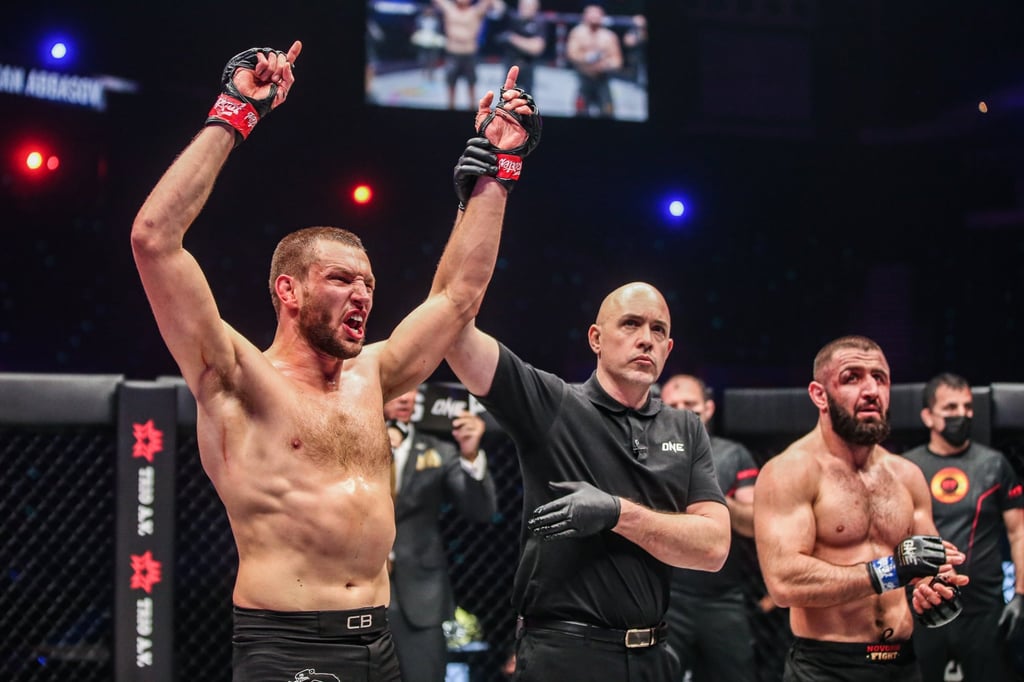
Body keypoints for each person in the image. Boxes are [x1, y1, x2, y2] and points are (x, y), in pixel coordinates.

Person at [130, 39, 540, 682]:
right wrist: (236, 110)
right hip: (286, 645)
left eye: (369, 284)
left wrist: (500, 168)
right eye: (342, 280)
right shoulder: (237, 380)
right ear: (288, 291)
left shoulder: (373, 375)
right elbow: (155, 240)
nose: (363, 296)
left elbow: (459, 298)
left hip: (380, 643)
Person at [444, 281, 732, 681]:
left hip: (654, 656)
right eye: (631, 324)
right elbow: (455, 332)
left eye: (658, 330)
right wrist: (475, 214)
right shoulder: (552, 403)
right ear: (595, 338)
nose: (646, 340)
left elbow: (714, 548)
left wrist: (617, 513)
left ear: (669, 349)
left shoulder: (685, 427)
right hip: (564, 656)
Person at [754, 335, 971, 681]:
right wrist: (888, 572)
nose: (871, 390)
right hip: (826, 667)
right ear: (819, 395)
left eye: (880, 378)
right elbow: (783, 582)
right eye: (852, 377)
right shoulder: (790, 471)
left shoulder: (907, 475)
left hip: (902, 662)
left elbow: (928, 567)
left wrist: (936, 591)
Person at [901, 372, 1024, 681]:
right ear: (928, 416)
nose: (962, 415)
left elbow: (1019, 532)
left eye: (967, 407)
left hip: (984, 608)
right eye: (951, 408)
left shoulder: (994, 464)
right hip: (923, 605)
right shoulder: (906, 468)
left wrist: (1021, 594)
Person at [383, 389, 498, 682]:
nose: (406, 397)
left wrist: (470, 453)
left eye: (414, 388)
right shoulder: (349, 446)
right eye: (398, 386)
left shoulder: (440, 451)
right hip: (354, 590)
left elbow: (480, 510)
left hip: (420, 595)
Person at [660, 374, 761, 682]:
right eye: (672, 405)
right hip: (664, 595)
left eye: (689, 404)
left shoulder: (733, 454)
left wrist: (706, 496)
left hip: (721, 596)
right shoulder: (647, 454)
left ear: (709, 407)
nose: (681, 410)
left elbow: (753, 524)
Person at [433, 0, 497, 109]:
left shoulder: (476, 11)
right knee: (451, 85)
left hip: (469, 54)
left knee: (471, 85)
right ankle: (450, 110)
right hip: (453, 53)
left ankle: (471, 112)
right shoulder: (449, 9)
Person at [565, 4, 622, 118]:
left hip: (602, 79)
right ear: (585, 16)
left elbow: (617, 61)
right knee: (580, 112)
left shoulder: (609, 36)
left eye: (597, 15)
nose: (594, 18)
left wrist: (607, 64)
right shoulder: (578, 33)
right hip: (584, 79)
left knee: (608, 112)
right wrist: (587, 58)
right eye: (591, 14)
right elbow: (571, 54)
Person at [493, 0, 546, 94]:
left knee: (526, 102)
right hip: (510, 65)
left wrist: (513, 38)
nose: (525, 9)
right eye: (523, 6)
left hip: (527, 66)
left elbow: (536, 48)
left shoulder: (539, 22)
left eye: (529, 6)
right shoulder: (512, 18)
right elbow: (498, 6)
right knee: (507, 100)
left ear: (536, 8)